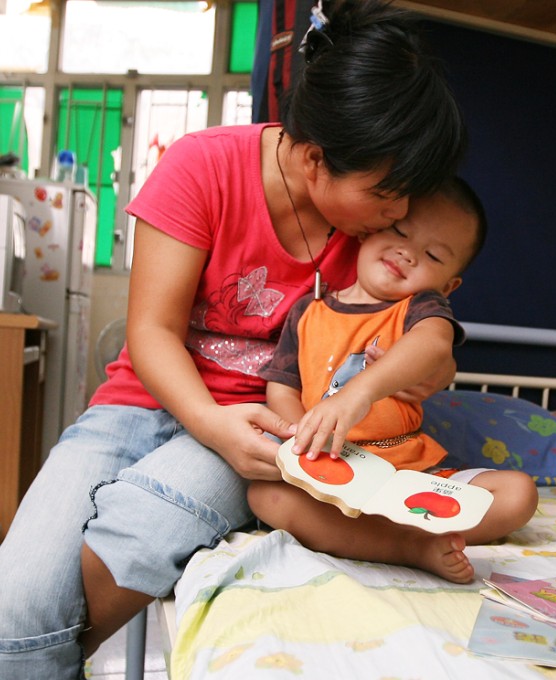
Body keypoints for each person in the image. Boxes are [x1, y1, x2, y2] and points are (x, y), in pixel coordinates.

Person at [0, 1, 466, 677]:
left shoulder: (383, 247)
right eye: (388, 193)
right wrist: (211, 425)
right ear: (312, 159)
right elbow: (151, 331)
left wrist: (413, 372)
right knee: (17, 592)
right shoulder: (202, 167)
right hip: (138, 403)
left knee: (142, 530)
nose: (401, 216)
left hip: (262, 427)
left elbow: (429, 341)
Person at [249, 178, 538, 584]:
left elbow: (435, 345)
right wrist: (302, 440)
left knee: (519, 493)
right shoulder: (307, 313)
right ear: (368, 231)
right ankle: (407, 545)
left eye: (433, 255)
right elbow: (282, 387)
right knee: (267, 497)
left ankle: (390, 535)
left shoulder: (421, 307)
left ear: (448, 285)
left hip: (414, 478)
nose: (407, 252)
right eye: (400, 232)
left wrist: (359, 393)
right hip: (335, 477)